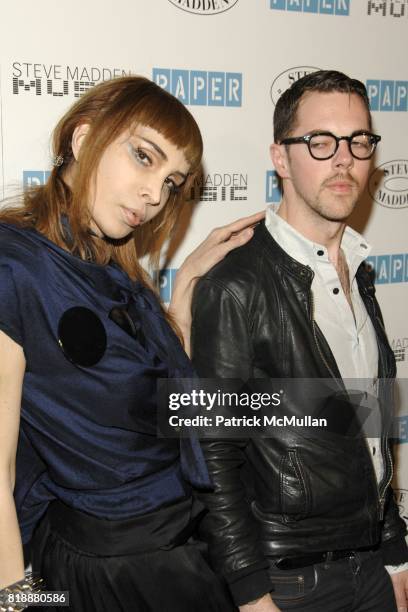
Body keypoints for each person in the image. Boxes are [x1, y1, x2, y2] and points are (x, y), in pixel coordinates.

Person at [0, 75, 263, 611]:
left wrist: (184, 282)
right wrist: (19, 604)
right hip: (111, 568)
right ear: (82, 138)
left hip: (176, 547)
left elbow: (154, 403)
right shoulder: (14, 269)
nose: (154, 194)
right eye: (144, 157)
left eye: (172, 182)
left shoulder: (112, 267)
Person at [191, 70, 408, 611]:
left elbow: (370, 433)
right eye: (320, 141)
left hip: (371, 569)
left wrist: (396, 553)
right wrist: (250, 592)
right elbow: (210, 449)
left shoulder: (358, 271)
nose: (343, 159)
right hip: (289, 583)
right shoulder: (235, 285)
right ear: (281, 158)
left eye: (358, 141)